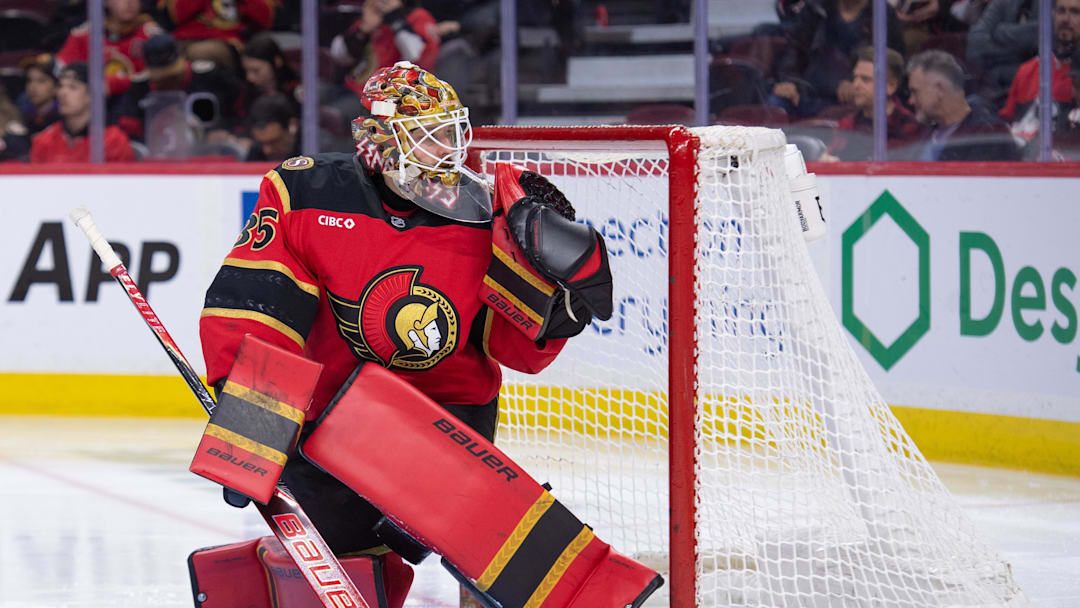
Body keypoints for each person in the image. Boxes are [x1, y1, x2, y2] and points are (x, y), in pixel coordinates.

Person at [193, 61, 639, 607]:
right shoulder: (307, 192)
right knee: (341, 572)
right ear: (378, 143)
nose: (447, 152)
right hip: (332, 415)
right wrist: (251, 428)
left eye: (452, 133)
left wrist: (560, 304)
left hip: (448, 415)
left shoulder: (494, 211)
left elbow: (517, 349)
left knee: (488, 565)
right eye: (429, 138)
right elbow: (256, 308)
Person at [770, 0, 907, 118]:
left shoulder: (883, 15)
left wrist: (856, 84)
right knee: (777, 103)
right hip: (810, 93)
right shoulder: (816, 9)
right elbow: (794, 50)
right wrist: (789, 82)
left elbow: (893, 65)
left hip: (854, 99)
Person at [905, 50, 1021, 160]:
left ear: (939, 89)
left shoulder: (989, 134)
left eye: (915, 92)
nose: (911, 100)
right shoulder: (927, 132)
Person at [821, 45, 923, 160]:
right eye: (855, 77)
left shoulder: (909, 127)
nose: (856, 85)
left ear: (891, 86)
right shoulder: (847, 124)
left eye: (865, 79)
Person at [999, 0, 1080, 142]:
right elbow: (1008, 124)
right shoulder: (1028, 70)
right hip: (1023, 158)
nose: (1066, 19)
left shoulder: (1076, 77)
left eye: (1075, 12)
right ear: (1053, 15)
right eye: (1061, 11)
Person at [330, 0, 441, 97]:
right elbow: (338, 55)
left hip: (386, 98)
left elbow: (416, 55)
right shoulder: (372, 16)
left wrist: (395, 18)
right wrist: (363, 30)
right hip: (350, 89)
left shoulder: (416, 16)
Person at [30, 63, 136, 163]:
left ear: (92, 94)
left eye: (73, 87)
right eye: (61, 86)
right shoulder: (44, 141)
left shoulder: (113, 141)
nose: (62, 93)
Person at [55, 0, 163, 97]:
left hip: (139, 105)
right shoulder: (86, 34)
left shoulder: (152, 35)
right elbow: (60, 69)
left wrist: (115, 85)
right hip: (91, 109)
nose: (129, 2)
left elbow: (163, 77)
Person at [966, 0, 1041, 105]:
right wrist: (1024, 50)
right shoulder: (1001, 3)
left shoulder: (1054, 5)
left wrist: (1001, 31)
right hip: (994, 92)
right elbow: (975, 44)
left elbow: (1046, 35)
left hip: (1036, 94)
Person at [243, 94, 299, 161]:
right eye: (261, 143)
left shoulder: (311, 150)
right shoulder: (256, 152)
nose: (267, 151)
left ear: (292, 126)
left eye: (274, 142)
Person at [16, 55, 61, 136]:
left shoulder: (64, 119)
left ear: (56, 87)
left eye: (41, 80)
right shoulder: (19, 116)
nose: (32, 86)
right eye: (29, 80)